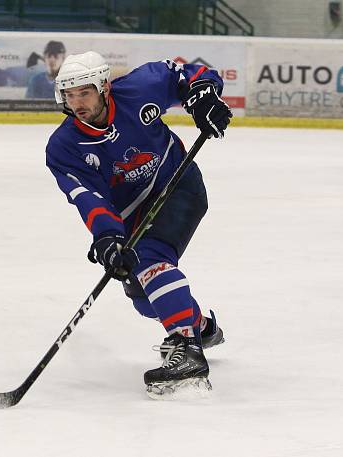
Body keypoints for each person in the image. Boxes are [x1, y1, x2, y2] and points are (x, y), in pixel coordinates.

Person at [44, 51, 232, 398]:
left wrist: (203, 97)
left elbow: (194, 74)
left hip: (177, 183)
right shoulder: (63, 147)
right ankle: (201, 328)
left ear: (104, 88)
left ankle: (188, 349)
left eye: (84, 92)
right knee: (144, 294)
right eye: (69, 95)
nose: (77, 103)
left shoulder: (141, 87)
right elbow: (89, 198)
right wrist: (108, 239)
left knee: (150, 258)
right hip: (133, 215)